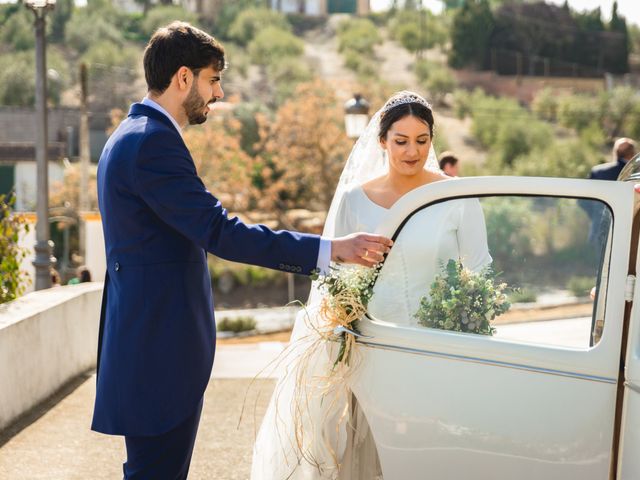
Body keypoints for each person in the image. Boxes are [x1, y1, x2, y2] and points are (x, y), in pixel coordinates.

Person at [91, 21, 393, 479]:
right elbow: (220, 232)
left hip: (145, 345)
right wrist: (331, 250)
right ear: (184, 78)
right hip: (159, 352)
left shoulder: (130, 134)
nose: (218, 94)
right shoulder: (151, 143)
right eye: (214, 80)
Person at [252, 91, 491, 479]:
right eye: (400, 141)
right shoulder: (353, 201)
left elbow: (478, 273)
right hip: (371, 352)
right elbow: (336, 282)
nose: (411, 151)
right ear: (382, 141)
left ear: (432, 140)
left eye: (421, 140)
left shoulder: (457, 198)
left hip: (438, 351)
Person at [581, 137, 636, 244]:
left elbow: (583, 201)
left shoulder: (598, 172)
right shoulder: (635, 173)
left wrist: (597, 215)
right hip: (629, 231)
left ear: (615, 152)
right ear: (633, 153)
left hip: (600, 230)